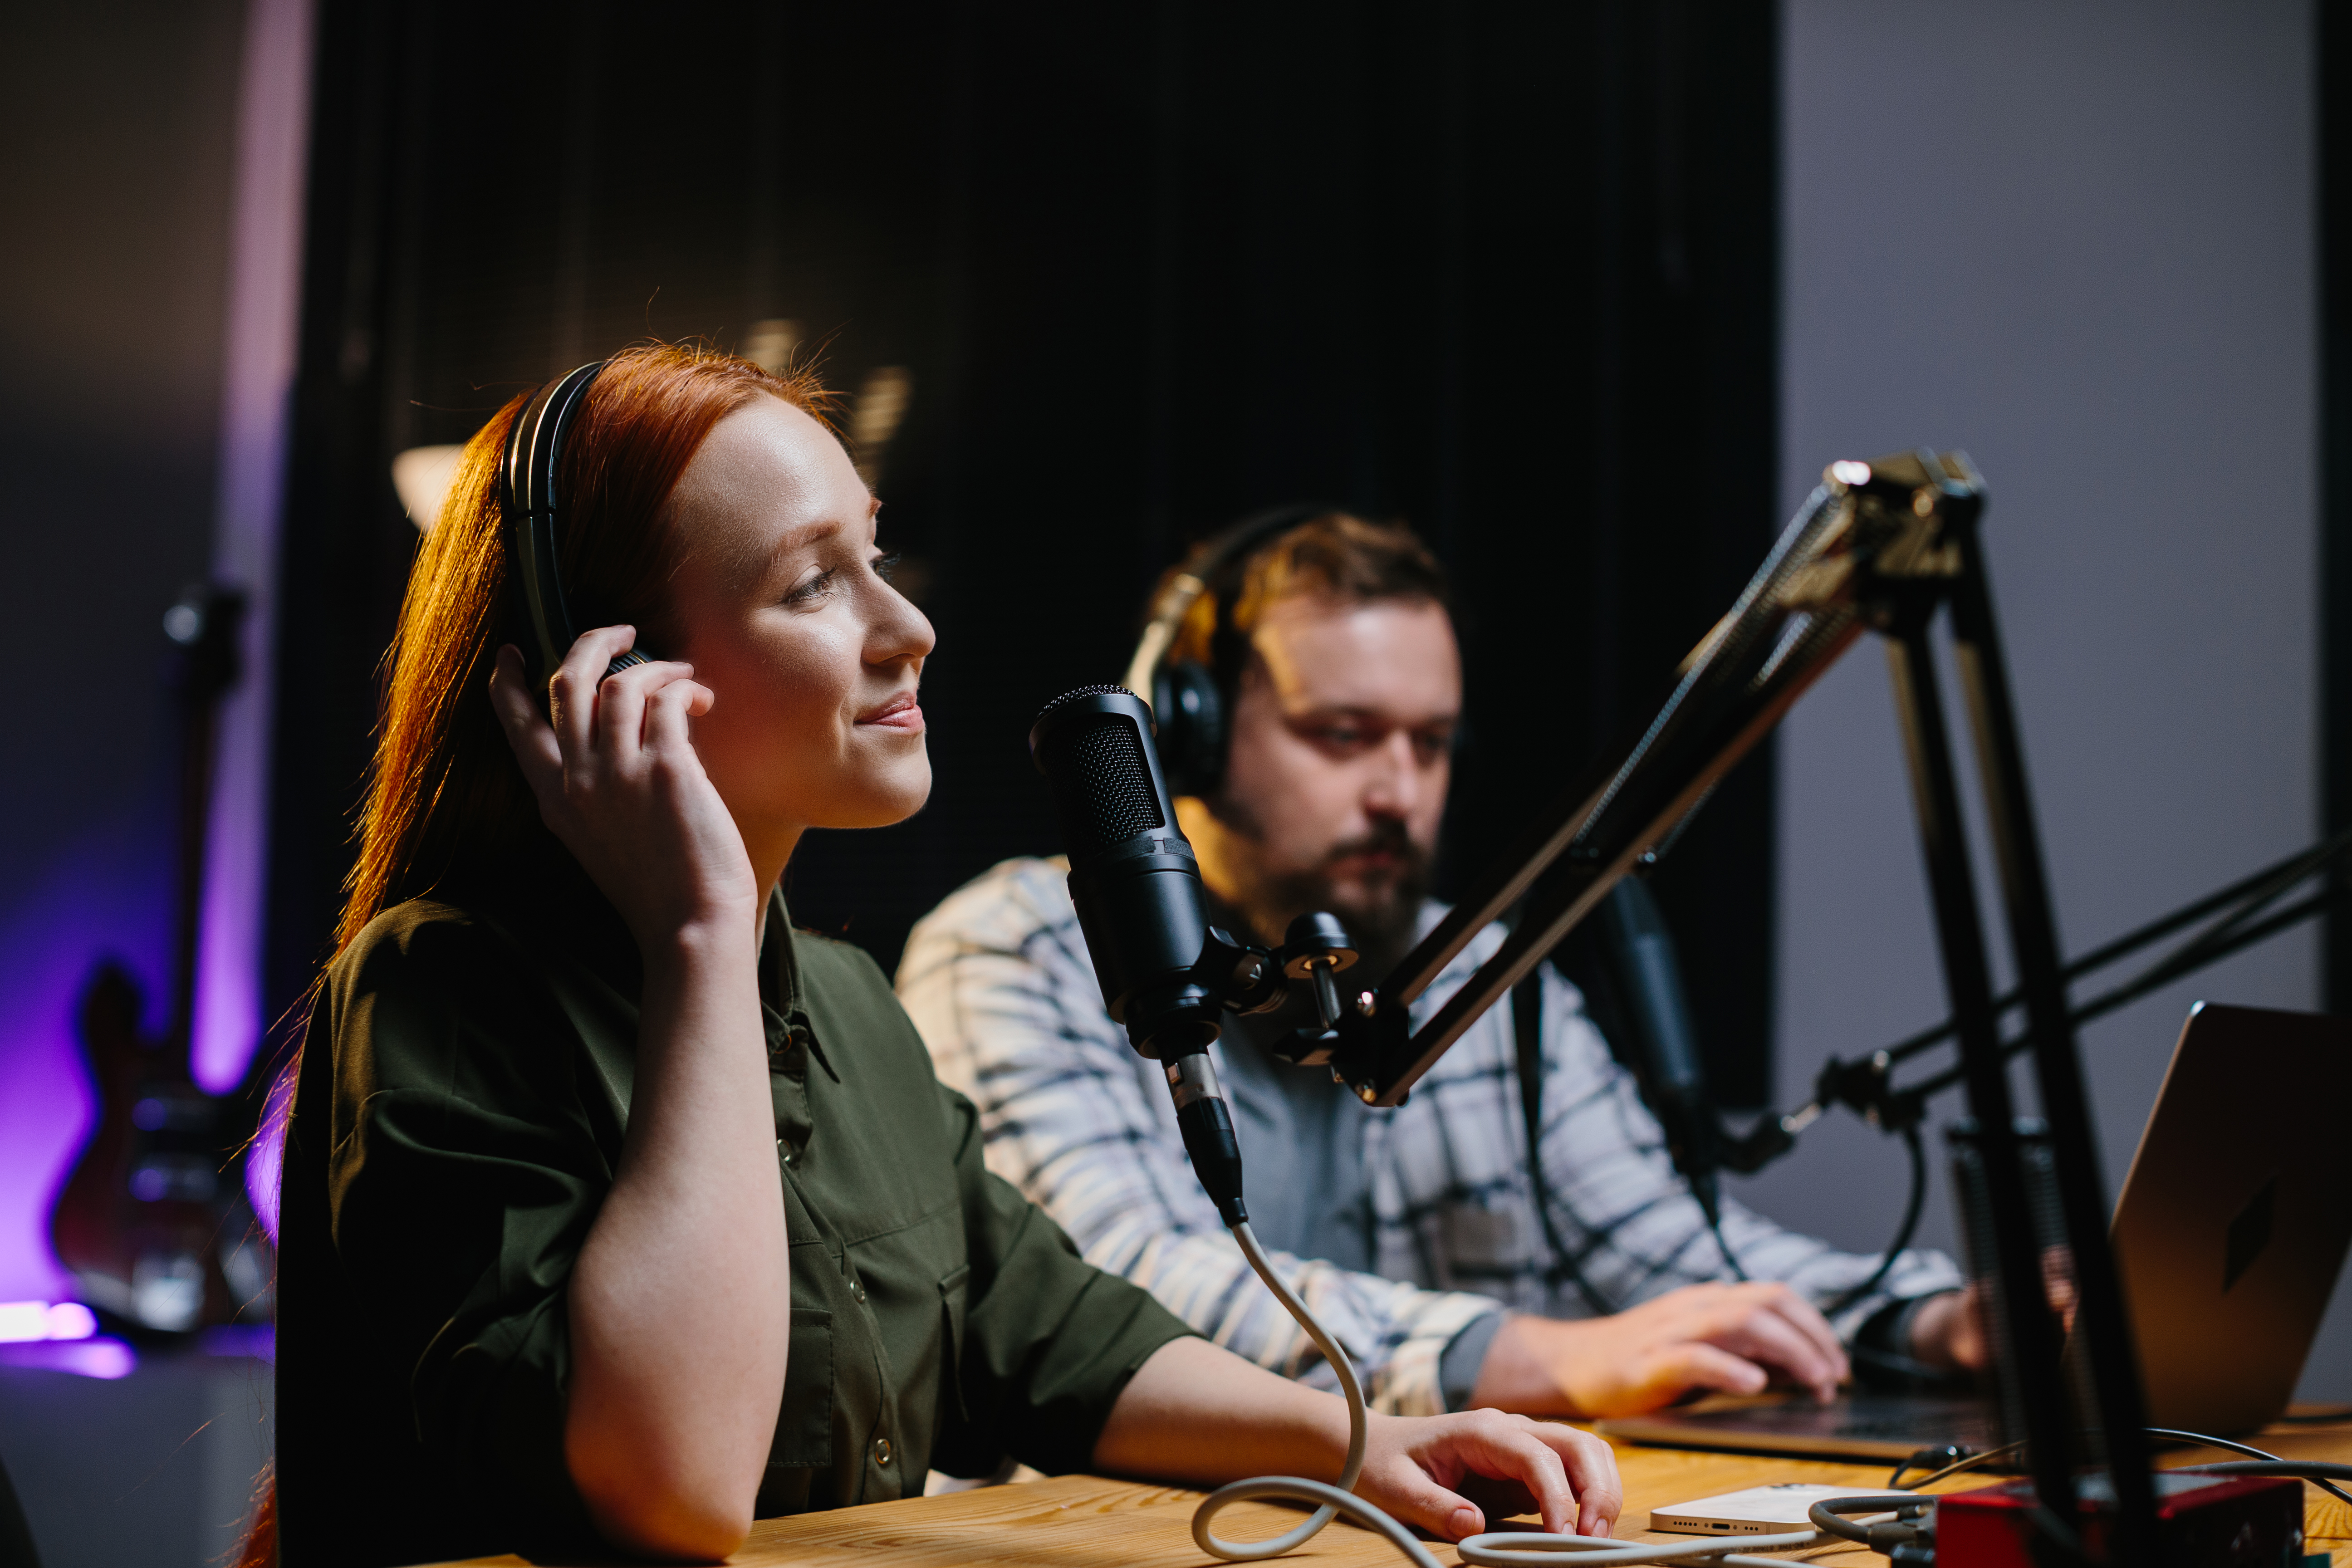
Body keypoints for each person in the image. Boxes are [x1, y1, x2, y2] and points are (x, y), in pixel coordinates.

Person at [267, 353, 1621, 1568]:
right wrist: (696, 939)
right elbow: (670, 1490)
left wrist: (1367, 1446)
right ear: (608, 678)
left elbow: (1056, 1340)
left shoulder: (849, 1005)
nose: (906, 626)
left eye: (876, 553)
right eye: (811, 583)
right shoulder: (440, 993)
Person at [898, 510, 1983, 1426]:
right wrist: (1527, 1358)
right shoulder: (1017, 945)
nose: (1399, 791)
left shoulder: (1470, 964)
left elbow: (1652, 1240)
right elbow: (1110, 1293)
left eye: (1429, 743)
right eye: (1344, 734)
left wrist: (1931, 1320)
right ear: (1194, 734)